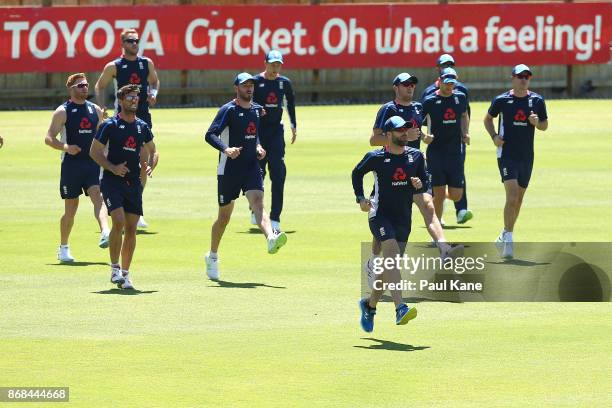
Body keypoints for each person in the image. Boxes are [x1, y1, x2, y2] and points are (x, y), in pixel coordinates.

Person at [366, 73, 455, 279]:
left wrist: (423, 136)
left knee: (428, 206)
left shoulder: (417, 108)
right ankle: (373, 259)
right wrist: (406, 138)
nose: (410, 87)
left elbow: (417, 132)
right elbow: (374, 140)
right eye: (405, 84)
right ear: (396, 87)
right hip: (390, 170)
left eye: (413, 84)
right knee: (384, 222)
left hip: (414, 168)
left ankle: (444, 248)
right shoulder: (388, 109)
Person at [204, 73, 288, 280]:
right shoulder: (228, 110)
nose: (249, 89)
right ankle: (212, 255)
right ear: (236, 88)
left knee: (258, 203)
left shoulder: (257, 110)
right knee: (224, 217)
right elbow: (210, 134)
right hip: (229, 169)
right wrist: (226, 149)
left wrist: (258, 146)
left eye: (251, 85)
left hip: (251, 166)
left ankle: (270, 237)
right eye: (244, 86)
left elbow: (254, 134)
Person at [353, 116, 426, 332]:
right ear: (388, 134)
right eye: (399, 130)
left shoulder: (416, 157)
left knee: (388, 267)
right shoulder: (375, 157)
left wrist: (420, 183)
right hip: (380, 215)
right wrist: (361, 199)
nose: (404, 133)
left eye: (406, 129)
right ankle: (400, 307)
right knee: (392, 257)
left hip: (404, 217)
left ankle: (369, 305)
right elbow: (357, 173)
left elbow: (424, 181)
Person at [90, 84, 159, 290]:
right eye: (130, 97)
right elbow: (95, 152)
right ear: (120, 101)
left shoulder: (142, 126)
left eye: (136, 97)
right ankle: (114, 269)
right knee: (118, 221)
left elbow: (154, 150)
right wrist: (112, 167)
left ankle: (126, 274)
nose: (134, 100)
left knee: (131, 228)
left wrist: (150, 165)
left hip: (133, 183)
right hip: (112, 181)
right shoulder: (109, 125)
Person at [95, 28, 160, 229]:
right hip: (121, 120)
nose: (134, 43)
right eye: (130, 41)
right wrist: (101, 107)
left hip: (143, 118)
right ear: (122, 43)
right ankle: (116, 203)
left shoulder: (146, 63)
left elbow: (155, 81)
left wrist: (154, 93)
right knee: (120, 159)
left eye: (137, 40)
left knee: (142, 163)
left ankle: (136, 207)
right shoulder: (114, 66)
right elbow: (99, 86)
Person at [44, 73, 110, 262]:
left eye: (86, 85)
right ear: (71, 88)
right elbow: (49, 138)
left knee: (98, 197)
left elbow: (102, 136)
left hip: (92, 163)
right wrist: (66, 147)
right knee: (71, 208)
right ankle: (63, 247)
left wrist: (105, 154)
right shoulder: (62, 111)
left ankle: (105, 231)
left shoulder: (95, 110)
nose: (84, 88)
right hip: (71, 165)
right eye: (80, 85)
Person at [484, 64, 548, 259]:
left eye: (527, 76)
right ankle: (509, 240)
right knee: (511, 197)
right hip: (507, 154)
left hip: (526, 156)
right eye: (520, 76)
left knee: (518, 201)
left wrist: (537, 123)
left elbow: (545, 125)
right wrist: (494, 136)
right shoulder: (502, 100)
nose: (523, 79)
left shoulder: (537, 100)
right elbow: (488, 119)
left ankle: (504, 233)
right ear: (513, 78)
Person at [421, 54, 473, 225]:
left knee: (456, 194)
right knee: (438, 191)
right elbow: (416, 122)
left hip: (455, 150)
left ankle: (443, 198)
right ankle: (436, 228)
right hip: (436, 151)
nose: (450, 86)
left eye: (453, 83)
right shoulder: (429, 99)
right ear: (440, 79)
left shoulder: (461, 96)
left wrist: (465, 133)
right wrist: (423, 137)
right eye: (447, 82)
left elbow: (464, 115)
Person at [250, 50, 297, 232]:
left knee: (278, 172)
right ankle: (255, 209)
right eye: (272, 64)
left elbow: (290, 104)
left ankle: (275, 217)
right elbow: (249, 104)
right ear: (265, 63)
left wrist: (294, 125)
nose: (275, 68)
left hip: (276, 131)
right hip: (258, 132)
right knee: (258, 173)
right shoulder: (255, 82)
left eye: (278, 64)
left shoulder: (284, 83)